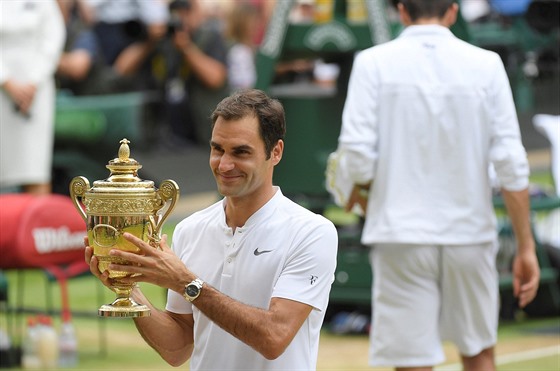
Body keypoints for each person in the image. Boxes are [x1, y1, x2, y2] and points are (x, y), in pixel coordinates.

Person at [329, 1, 540, 370]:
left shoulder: (372, 63)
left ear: (402, 11)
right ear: (453, 12)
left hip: (400, 234)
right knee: (480, 355)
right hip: (470, 234)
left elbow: (356, 154)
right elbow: (511, 163)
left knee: (412, 362)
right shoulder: (486, 65)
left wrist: (358, 197)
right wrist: (525, 246)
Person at [85, 89, 338, 370]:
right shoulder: (190, 229)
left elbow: (273, 337)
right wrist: (128, 289)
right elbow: (177, 348)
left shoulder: (312, 232)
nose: (224, 164)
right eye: (217, 149)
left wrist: (187, 283)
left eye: (241, 152)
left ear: (275, 152)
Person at [0, 0, 66, 195]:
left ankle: (36, 223)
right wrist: (6, 81)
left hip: (38, 90)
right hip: (3, 90)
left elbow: (53, 38)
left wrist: (33, 81)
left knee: (35, 167)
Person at [152, 0, 229, 147]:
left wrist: (186, 47)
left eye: (186, 13)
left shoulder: (209, 37)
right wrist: (150, 40)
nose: (181, 20)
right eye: (176, 14)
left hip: (204, 125)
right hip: (172, 128)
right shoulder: (166, 43)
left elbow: (215, 78)